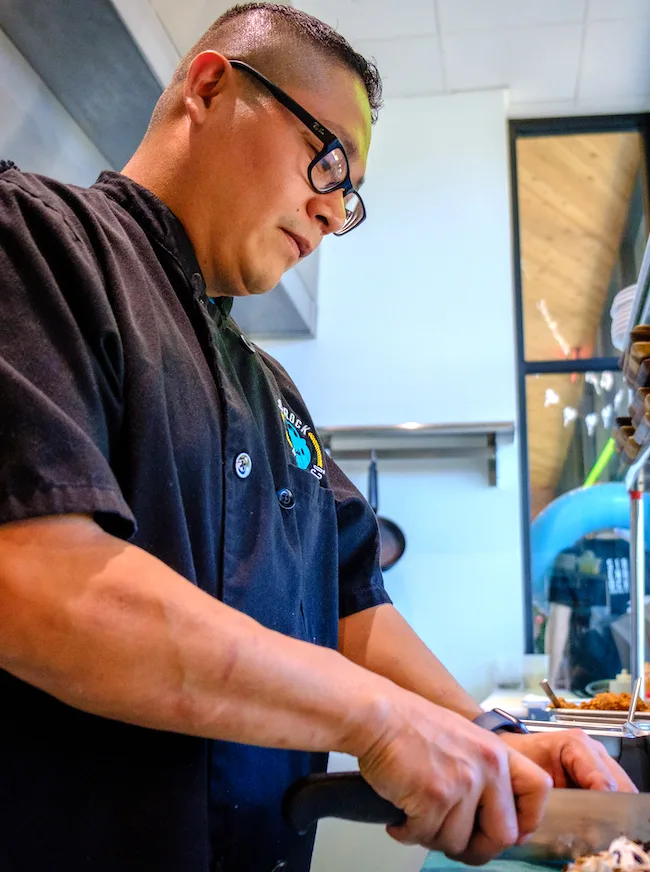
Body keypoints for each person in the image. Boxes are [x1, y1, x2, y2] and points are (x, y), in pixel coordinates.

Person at [0, 4, 635, 871]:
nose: (334, 214)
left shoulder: (275, 395)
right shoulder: (35, 244)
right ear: (213, 85)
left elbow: (353, 603)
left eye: (351, 196)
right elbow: (34, 581)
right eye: (328, 160)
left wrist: (488, 734)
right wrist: (374, 718)